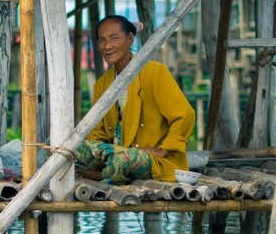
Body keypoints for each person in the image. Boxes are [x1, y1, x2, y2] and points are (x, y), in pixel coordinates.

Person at [77, 15, 195, 183]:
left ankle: (99, 174)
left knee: (122, 159)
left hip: (153, 160)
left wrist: (162, 150)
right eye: (102, 40)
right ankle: (104, 170)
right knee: (61, 151)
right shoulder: (102, 84)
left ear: (130, 39)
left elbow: (185, 115)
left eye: (113, 38)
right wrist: (92, 153)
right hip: (116, 152)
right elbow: (97, 131)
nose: (107, 46)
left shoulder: (154, 72)